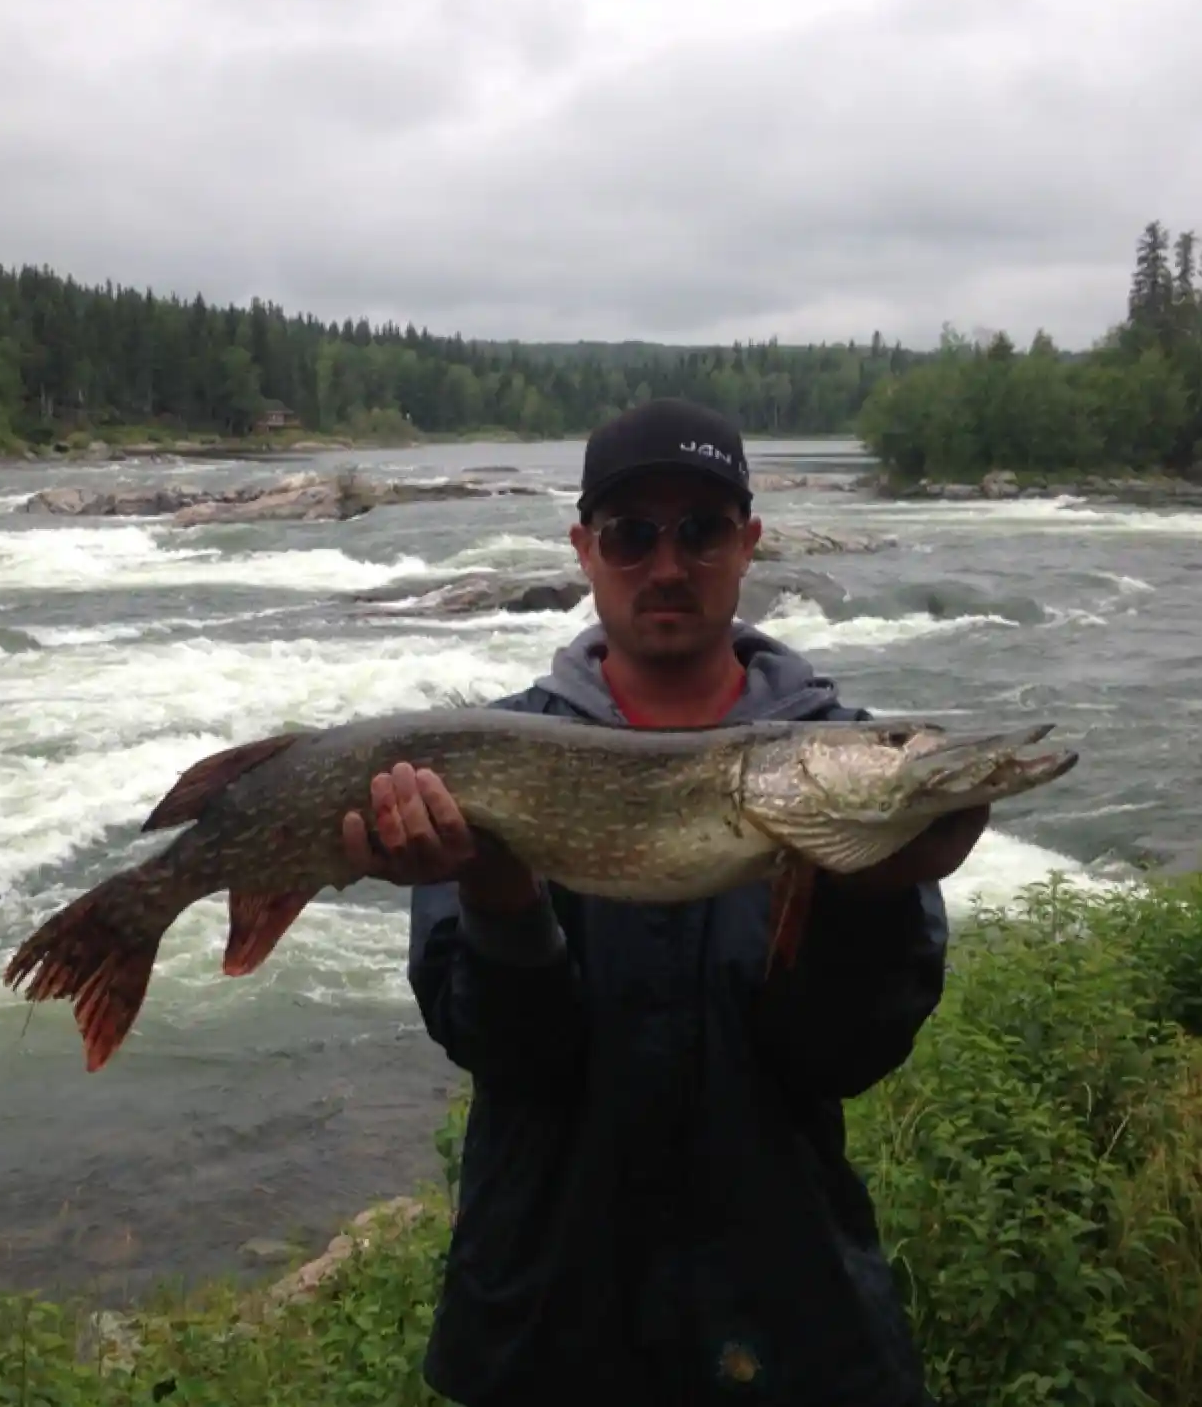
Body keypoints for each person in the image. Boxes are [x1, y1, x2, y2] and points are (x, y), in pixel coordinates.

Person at [340, 397, 986, 1407]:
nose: (669, 564)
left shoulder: (839, 764)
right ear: (584, 550)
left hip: (787, 1316)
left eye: (702, 530)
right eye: (633, 534)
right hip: (552, 1326)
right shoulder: (484, 758)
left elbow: (841, 1060)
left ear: (750, 543)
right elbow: (507, 1057)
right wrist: (501, 899)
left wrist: (869, 895)